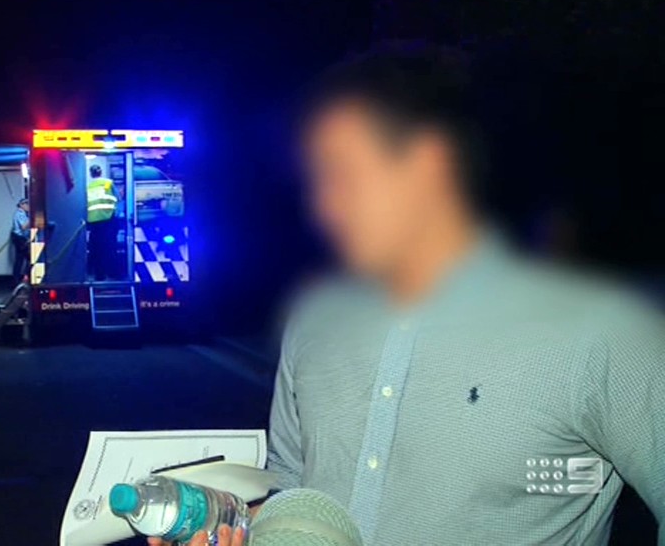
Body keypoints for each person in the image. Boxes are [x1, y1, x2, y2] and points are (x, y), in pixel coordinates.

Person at [261, 43, 664, 545]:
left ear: (429, 165)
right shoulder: (313, 319)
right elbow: (288, 486)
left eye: (341, 174)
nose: (321, 206)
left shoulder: (602, 333)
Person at [87, 164, 120, 281]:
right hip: (109, 219)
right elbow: (118, 198)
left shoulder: (88, 187)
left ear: (91, 174)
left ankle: (99, 275)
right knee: (110, 247)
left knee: (96, 249)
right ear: (101, 172)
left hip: (94, 221)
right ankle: (113, 274)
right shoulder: (108, 183)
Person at [11, 197, 30, 281]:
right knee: (30, 258)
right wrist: (33, 218)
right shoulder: (20, 214)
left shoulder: (24, 214)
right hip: (19, 238)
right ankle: (25, 277)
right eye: (27, 204)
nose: (28, 206)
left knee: (19, 259)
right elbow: (23, 227)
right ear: (21, 205)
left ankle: (16, 280)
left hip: (21, 238)